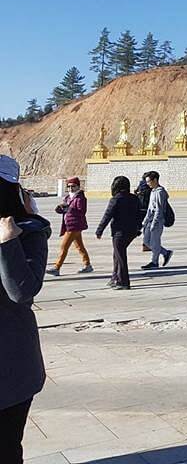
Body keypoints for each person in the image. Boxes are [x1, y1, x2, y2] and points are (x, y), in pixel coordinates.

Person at [0, 155, 50, 464]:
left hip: (10, 367)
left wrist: (7, 244)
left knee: (5, 448)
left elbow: (21, 291)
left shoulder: (30, 232)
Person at [95, 175, 142, 289]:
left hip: (119, 232)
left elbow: (107, 215)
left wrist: (99, 230)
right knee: (117, 254)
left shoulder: (116, 199)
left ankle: (123, 282)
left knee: (120, 256)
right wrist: (138, 228)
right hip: (132, 231)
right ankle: (114, 277)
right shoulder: (134, 198)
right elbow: (139, 214)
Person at [47, 176, 92, 276]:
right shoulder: (68, 198)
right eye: (69, 186)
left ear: (78, 186)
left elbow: (81, 211)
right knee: (79, 246)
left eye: (73, 186)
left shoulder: (80, 198)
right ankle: (87, 264)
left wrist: (69, 208)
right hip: (69, 225)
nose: (71, 188)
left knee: (64, 247)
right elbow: (65, 210)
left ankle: (57, 267)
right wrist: (60, 209)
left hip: (74, 226)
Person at [141, 171, 173, 270]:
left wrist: (154, 223)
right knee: (146, 241)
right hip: (150, 220)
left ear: (155, 180)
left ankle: (154, 262)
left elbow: (159, 209)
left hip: (157, 221)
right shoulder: (153, 191)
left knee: (155, 242)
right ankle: (165, 253)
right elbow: (150, 208)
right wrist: (145, 221)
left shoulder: (160, 192)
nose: (147, 184)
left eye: (149, 181)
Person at [135, 173, 151, 252]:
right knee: (147, 228)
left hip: (139, 209)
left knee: (143, 226)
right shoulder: (149, 187)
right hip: (147, 209)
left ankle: (137, 230)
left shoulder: (140, 186)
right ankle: (146, 245)